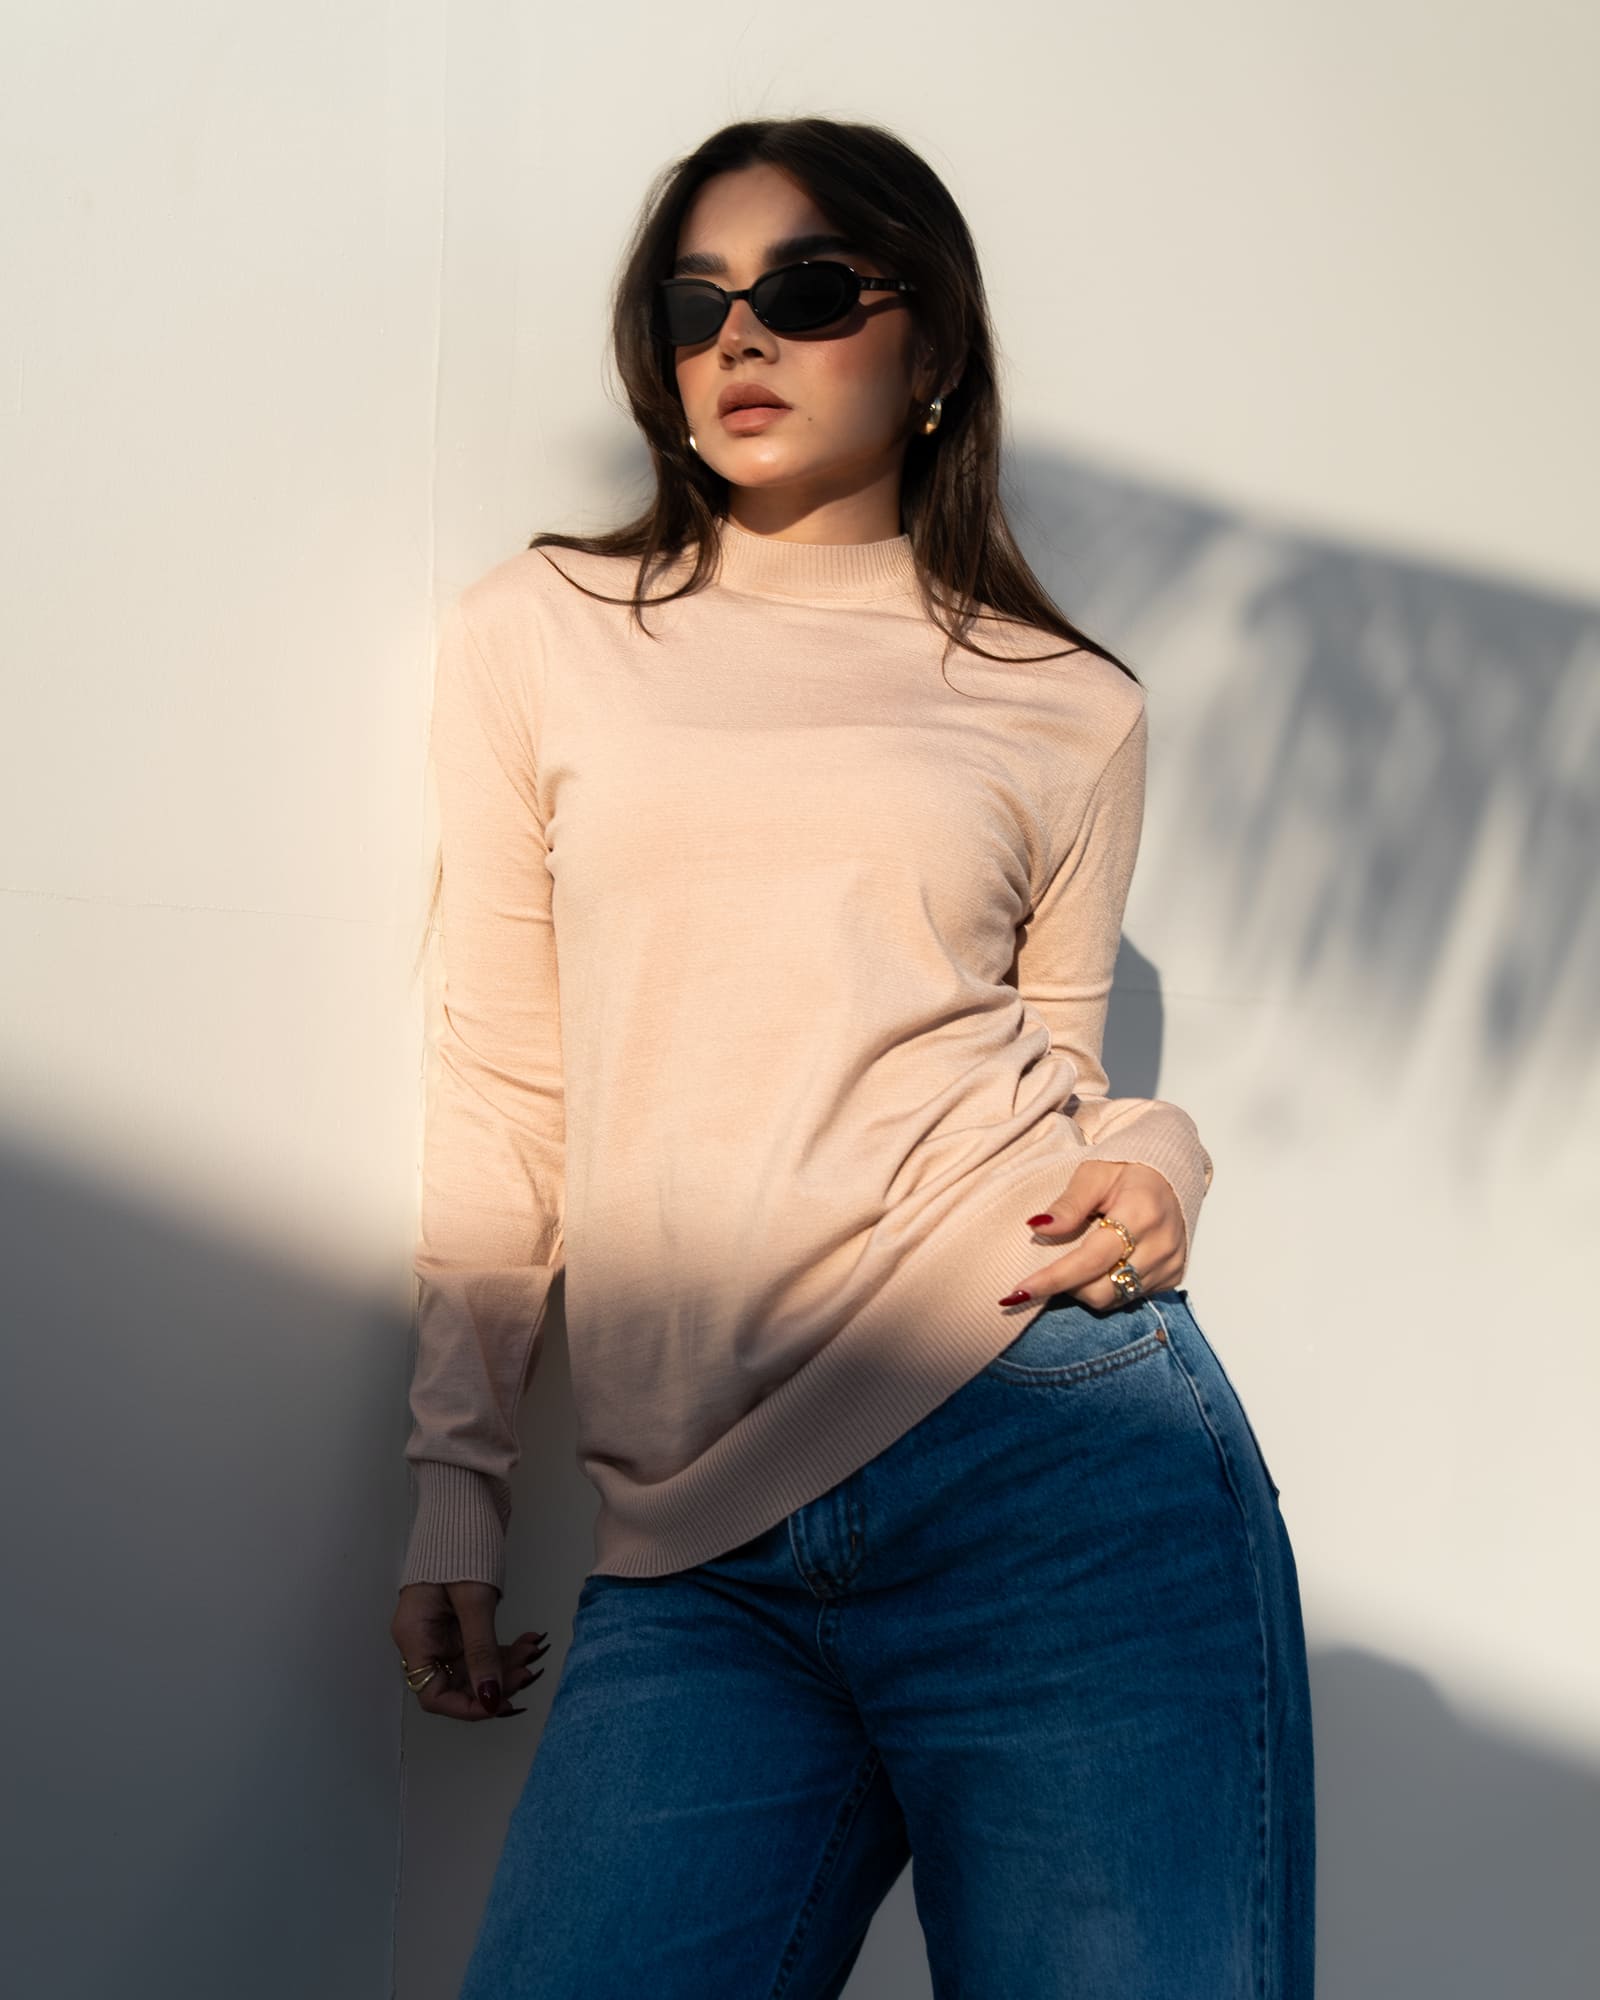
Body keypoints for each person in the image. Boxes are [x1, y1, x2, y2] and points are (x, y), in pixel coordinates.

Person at [389, 114, 1315, 1999]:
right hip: (689, 1548)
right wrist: (457, 1478)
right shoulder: (541, 634)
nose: (741, 337)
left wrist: (1168, 1154)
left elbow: (1051, 1080)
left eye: (809, 292)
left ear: (932, 347)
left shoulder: (1069, 703)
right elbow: (507, 1082)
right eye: (696, 303)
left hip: (1053, 1468)